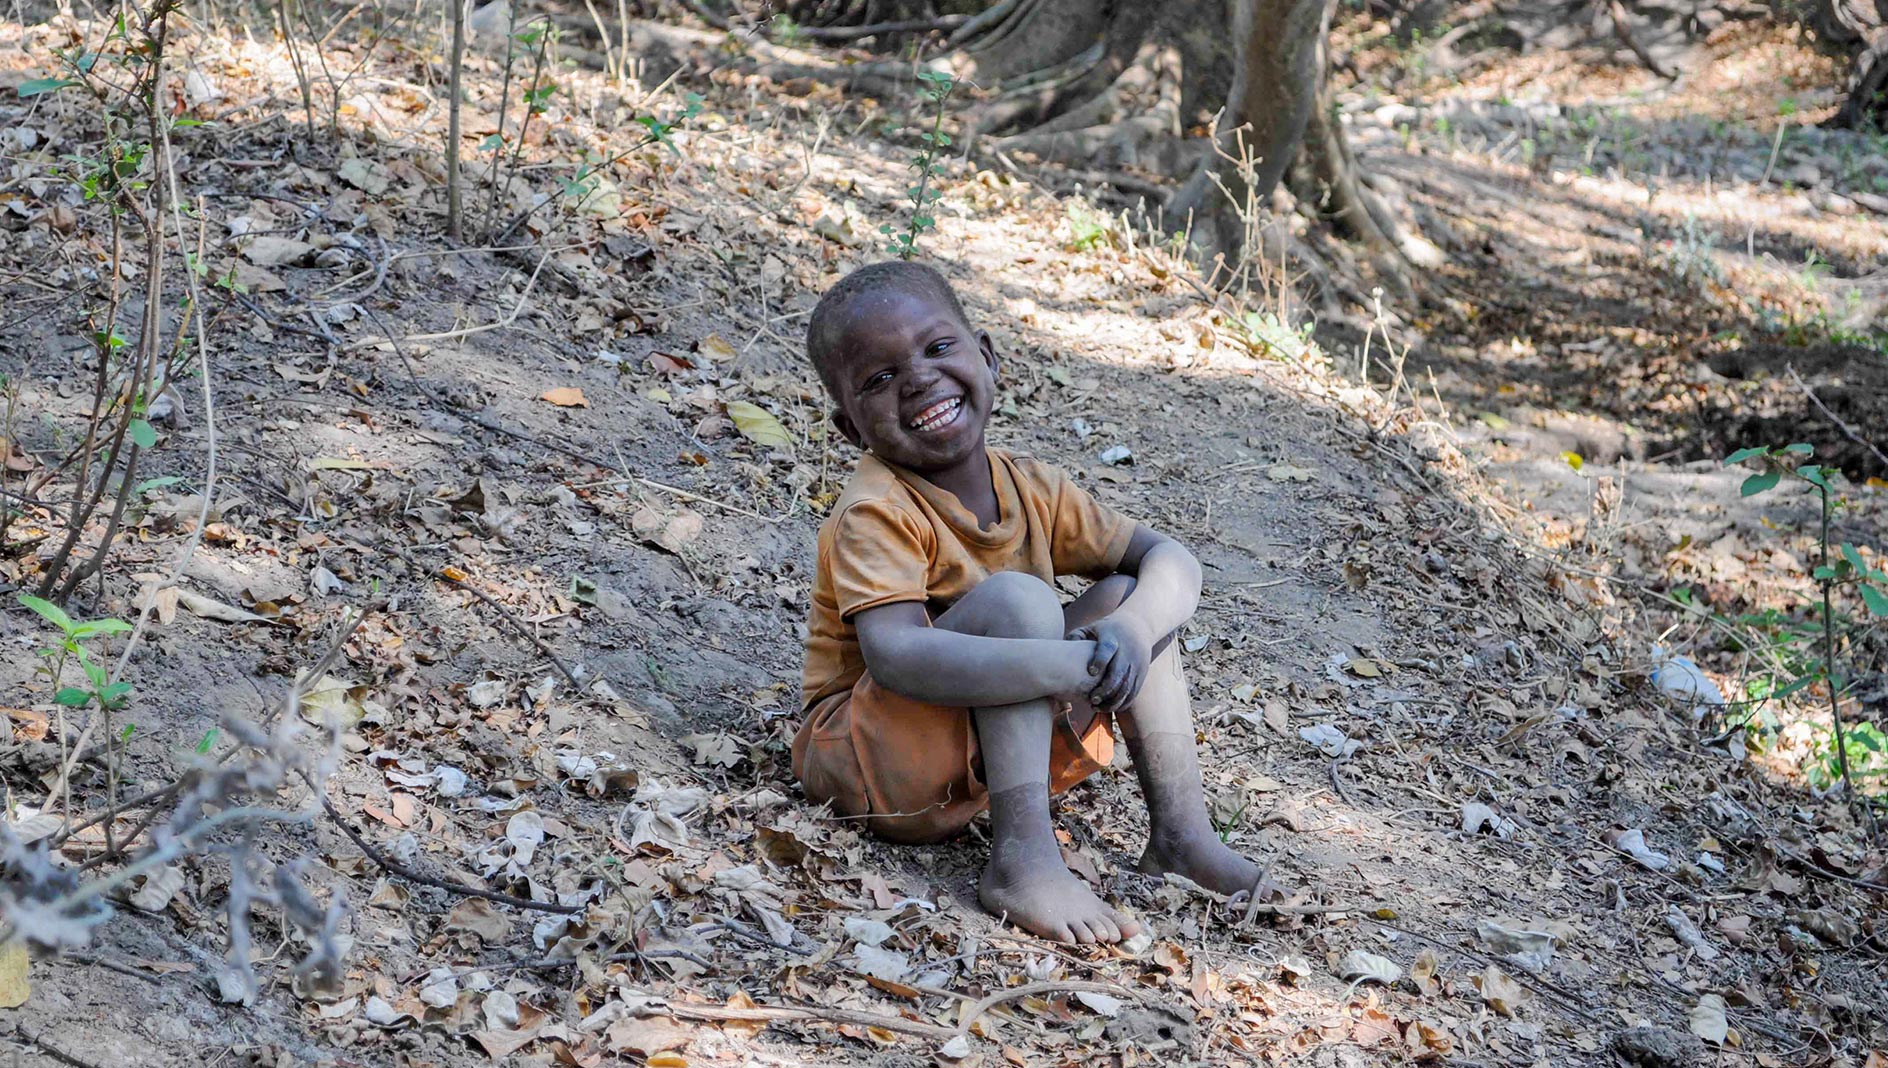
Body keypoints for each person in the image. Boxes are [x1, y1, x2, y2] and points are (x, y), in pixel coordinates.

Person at [792, 260, 1261, 945]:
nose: (918, 378)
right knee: (1016, 606)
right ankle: (1024, 862)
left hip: (964, 760)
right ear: (851, 428)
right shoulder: (876, 510)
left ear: (988, 357)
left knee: (1129, 598)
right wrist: (1069, 669)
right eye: (879, 379)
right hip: (872, 766)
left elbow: (1173, 561)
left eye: (938, 348)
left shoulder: (1033, 486)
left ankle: (1182, 837)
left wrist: (1129, 631)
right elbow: (895, 656)